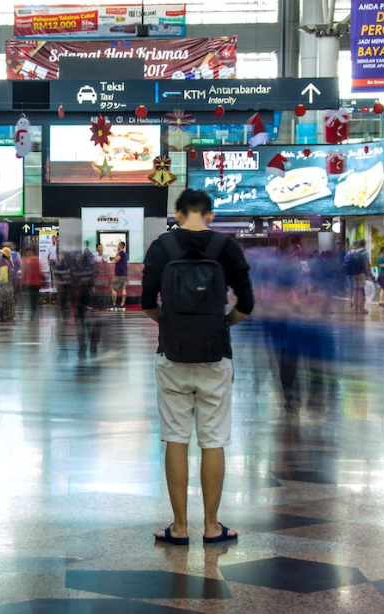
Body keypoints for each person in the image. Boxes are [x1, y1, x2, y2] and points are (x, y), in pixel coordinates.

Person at [141, 189, 254, 546]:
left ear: (177, 212)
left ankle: (179, 527)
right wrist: (221, 324)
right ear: (210, 214)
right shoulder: (226, 247)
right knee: (213, 440)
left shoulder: (162, 246)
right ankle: (210, 525)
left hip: (172, 356)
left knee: (175, 438)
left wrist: (172, 325)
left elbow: (146, 303)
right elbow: (247, 304)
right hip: (215, 356)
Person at [344, 240, 370, 314]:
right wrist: (368, 275)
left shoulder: (353, 252)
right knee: (362, 291)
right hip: (361, 273)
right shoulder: (365, 252)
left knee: (355, 290)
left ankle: (355, 309)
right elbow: (366, 264)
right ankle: (361, 308)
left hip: (354, 273)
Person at [0, 247, 16, 323]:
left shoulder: (0, 261)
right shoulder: (10, 262)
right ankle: (9, 315)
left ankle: (2, 315)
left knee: (2, 300)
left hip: (2, 285)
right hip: (9, 285)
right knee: (9, 300)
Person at [22, 247, 43, 320]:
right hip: (37, 283)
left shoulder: (28, 261)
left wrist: (24, 281)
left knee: (31, 298)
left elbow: (26, 272)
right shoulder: (38, 260)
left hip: (30, 283)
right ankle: (34, 311)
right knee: (35, 297)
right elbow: (40, 272)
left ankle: (32, 312)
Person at [111, 241, 129, 311]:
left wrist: (115, 256)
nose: (117, 247)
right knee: (123, 289)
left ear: (120, 246)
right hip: (124, 274)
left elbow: (116, 260)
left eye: (118, 245)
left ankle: (114, 304)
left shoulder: (121, 253)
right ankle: (122, 305)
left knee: (113, 288)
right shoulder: (125, 254)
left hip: (119, 274)